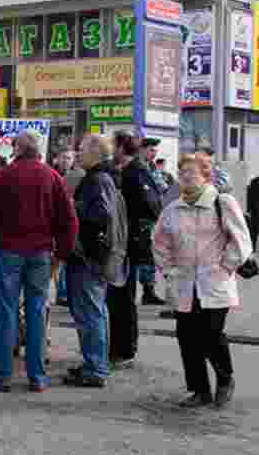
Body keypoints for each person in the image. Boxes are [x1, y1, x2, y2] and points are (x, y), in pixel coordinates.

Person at [0, 129, 77, 393]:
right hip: (41, 253)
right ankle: (37, 376)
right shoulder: (52, 177)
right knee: (37, 312)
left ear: (17, 149)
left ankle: (1, 374)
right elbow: (68, 220)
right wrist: (62, 255)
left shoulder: (2, 176)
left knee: (7, 312)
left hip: (7, 251)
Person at [152, 153, 252, 408]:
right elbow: (160, 243)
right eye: (182, 171)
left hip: (214, 283)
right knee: (187, 337)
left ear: (206, 175)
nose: (185, 176)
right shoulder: (172, 209)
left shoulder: (222, 202)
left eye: (192, 172)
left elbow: (241, 241)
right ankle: (199, 390)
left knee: (211, 334)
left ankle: (225, 378)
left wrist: (226, 266)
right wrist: (169, 270)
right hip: (184, 284)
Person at [63, 134, 119, 388]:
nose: (78, 153)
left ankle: (95, 367)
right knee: (94, 311)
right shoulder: (98, 177)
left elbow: (101, 214)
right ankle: (94, 363)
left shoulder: (98, 179)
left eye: (82, 149)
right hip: (93, 255)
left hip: (90, 256)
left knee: (90, 312)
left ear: (96, 152)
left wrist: (75, 206)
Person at [108, 131, 142, 369]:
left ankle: (125, 350)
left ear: (121, 147)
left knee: (124, 299)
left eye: (114, 145)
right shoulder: (131, 172)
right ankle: (120, 348)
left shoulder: (132, 174)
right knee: (120, 299)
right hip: (126, 244)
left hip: (126, 246)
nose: (112, 150)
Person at [129, 137, 168, 307]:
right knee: (142, 256)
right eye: (151, 150)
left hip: (153, 216)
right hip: (140, 217)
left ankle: (149, 290)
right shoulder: (136, 167)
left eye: (155, 150)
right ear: (142, 150)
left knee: (149, 256)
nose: (154, 153)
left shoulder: (151, 167)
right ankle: (144, 290)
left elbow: (161, 188)